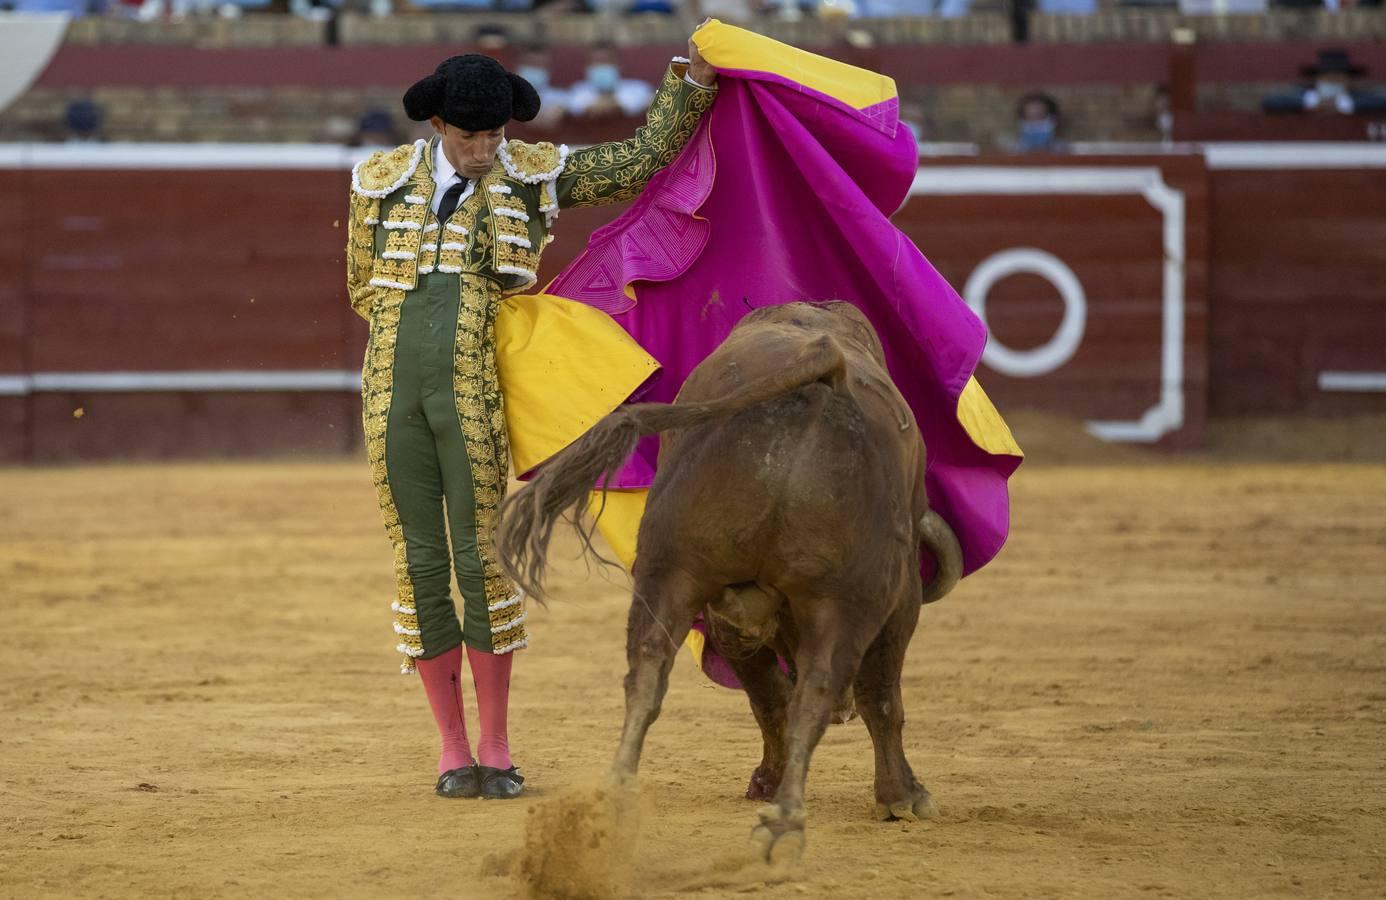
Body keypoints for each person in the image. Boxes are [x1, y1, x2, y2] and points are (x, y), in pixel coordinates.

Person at [344, 36, 717, 800]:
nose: (484, 150)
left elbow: (642, 161)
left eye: (494, 136)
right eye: (469, 136)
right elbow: (361, 286)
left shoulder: (534, 175)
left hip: (475, 389)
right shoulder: (377, 181)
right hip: (389, 390)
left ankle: (497, 745)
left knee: (481, 558)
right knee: (419, 563)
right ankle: (451, 751)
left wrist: (691, 83)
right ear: (438, 126)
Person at [1262, 49, 1386, 117]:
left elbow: (1381, 102)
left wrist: (1340, 104)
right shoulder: (1302, 95)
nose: (1332, 81)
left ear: (1347, 80)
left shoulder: (1357, 97)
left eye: (1337, 78)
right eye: (1328, 77)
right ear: (1317, 79)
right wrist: (1312, 102)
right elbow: (1270, 101)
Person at [566, 43, 656, 119]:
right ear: (587, 67)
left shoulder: (638, 88)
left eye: (606, 61)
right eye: (597, 61)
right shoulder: (577, 91)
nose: (602, 66)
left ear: (618, 65)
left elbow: (654, 99)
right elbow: (571, 105)